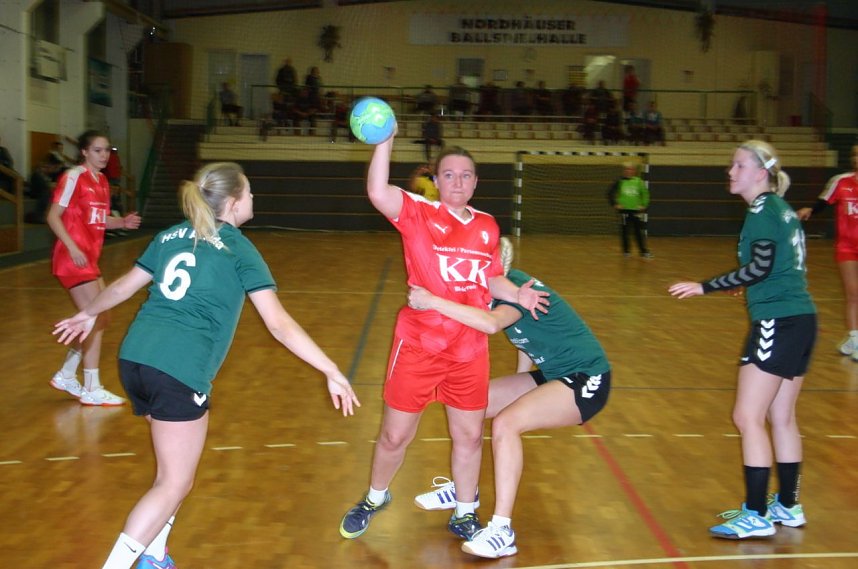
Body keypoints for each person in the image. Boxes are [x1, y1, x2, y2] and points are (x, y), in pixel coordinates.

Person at [52, 161, 360, 569]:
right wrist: (331, 370)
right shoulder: (238, 248)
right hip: (179, 367)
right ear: (233, 203)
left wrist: (90, 312)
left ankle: (155, 555)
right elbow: (280, 325)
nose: (253, 198)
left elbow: (125, 285)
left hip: (136, 358)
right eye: (249, 192)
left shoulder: (170, 235)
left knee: (176, 474)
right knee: (173, 481)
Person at [337, 134, 548, 543]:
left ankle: (465, 511)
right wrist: (385, 141)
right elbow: (377, 190)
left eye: (465, 176)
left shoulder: (487, 226)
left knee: (468, 436)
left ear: (475, 182)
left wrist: (517, 293)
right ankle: (375, 497)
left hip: (469, 350)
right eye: (449, 174)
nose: (457, 182)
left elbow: (490, 277)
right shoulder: (418, 212)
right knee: (395, 435)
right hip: (418, 345)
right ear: (436, 179)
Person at [409, 237, 610, 559]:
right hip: (552, 373)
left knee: (506, 424)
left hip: (588, 377)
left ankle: (502, 530)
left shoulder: (517, 286)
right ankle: (465, 489)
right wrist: (521, 381)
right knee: (465, 401)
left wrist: (432, 300)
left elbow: (492, 325)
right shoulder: (488, 292)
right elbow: (523, 340)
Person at [668, 140, 815, 539]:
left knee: (747, 416)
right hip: (801, 319)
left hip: (777, 322)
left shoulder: (762, 211)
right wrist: (747, 281)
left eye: (738, 165)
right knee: (781, 416)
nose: (730, 172)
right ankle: (787, 505)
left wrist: (706, 286)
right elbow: (773, 266)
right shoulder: (782, 211)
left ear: (760, 173)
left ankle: (755, 513)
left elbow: (761, 268)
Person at [47, 130, 142, 406]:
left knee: (102, 318)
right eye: (98, 150)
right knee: (95, 320)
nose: (103, 155)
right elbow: (53, 216)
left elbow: (98, 220)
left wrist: (122, 222)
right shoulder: (73, 176)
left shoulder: (101, 181)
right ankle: (91, 386)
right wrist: (72, 247)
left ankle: (66, 374)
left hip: (90, 259)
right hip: (72, 259)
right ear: (85, 152)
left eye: (107, 150)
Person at [796, 144, 858, 359]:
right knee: (853, 293)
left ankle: (852, 341)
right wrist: (809, 210)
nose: (857, 158)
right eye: (855, 155)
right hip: (847, 246)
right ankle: (855, 339)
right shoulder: (841, 181)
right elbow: (823, 202)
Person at [607, 161, 652, 258]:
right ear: (624, 171)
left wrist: (643, 205)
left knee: (638, 232)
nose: (628, 171)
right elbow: (610, 193)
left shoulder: (639, 182)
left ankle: (643, 251)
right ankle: (626, 251)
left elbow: (645, 194)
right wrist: (615, 204)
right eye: (627, 169)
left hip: (636, 211)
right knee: (624, 232)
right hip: (624, 211)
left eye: (631, 169)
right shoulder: (620, 181)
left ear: (634, 171)